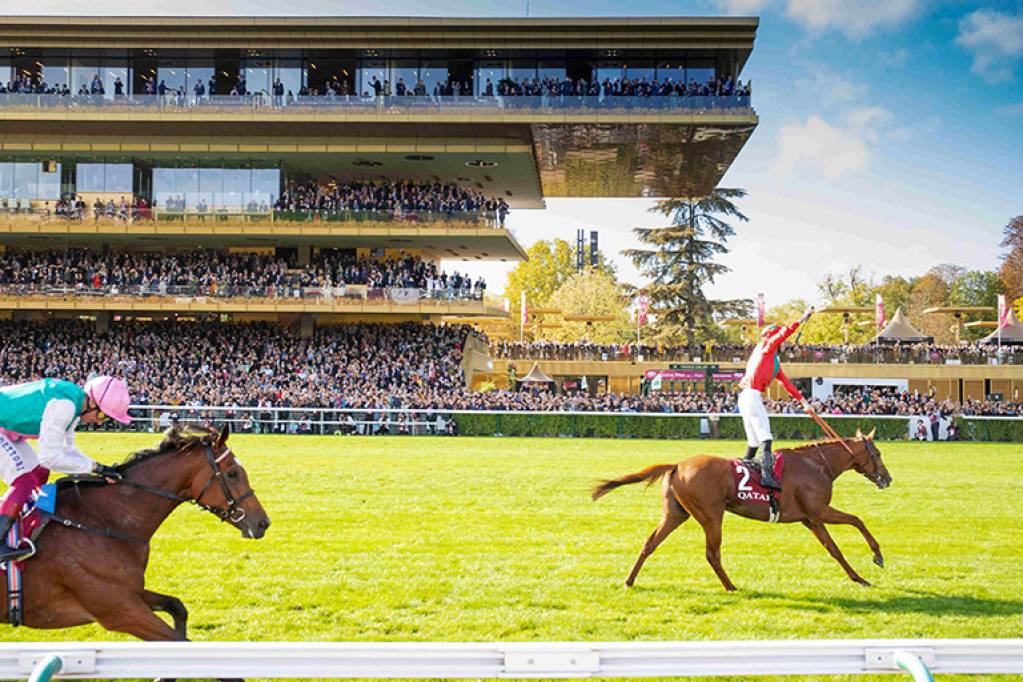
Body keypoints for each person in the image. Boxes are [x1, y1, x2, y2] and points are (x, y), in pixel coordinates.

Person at [0, 376, 131, 561]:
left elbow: (68, 451)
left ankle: (20, 517)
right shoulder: (65, 406)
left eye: (106, 419)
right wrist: (96, 468)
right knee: (25, 480)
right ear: (92, 401)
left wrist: (100, 469)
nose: (100, 422)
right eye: (101, 415)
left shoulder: (75, 404)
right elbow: (50, 457)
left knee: (39, 472)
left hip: (6, 429)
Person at [737, 307, 814, 491]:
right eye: (782, 341)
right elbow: (784, 332)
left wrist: (804, 403)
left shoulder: (774, 361)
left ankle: (744, 470)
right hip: (752, 396)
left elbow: (787, 384)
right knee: (766, 437)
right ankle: (766, 477)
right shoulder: (765, 347)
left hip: (747, 397)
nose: (784, 343)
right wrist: (803, 316)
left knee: (754, 441)